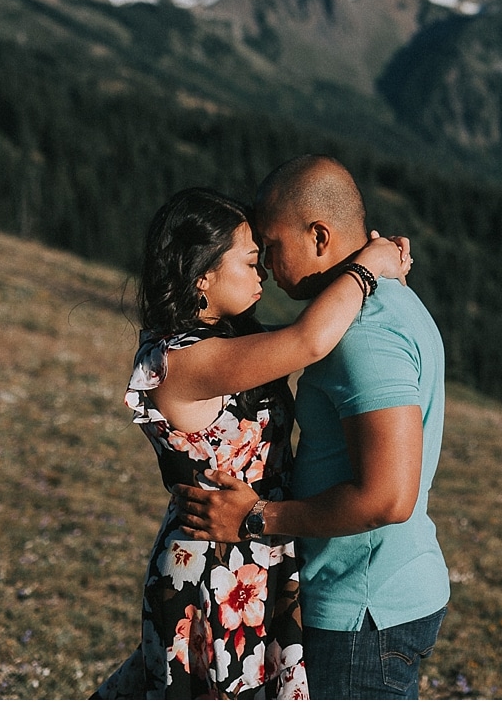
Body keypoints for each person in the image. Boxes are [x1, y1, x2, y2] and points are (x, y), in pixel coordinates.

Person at [95, 186, 411, 699]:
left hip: (250, 553)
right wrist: (369, 266)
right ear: (202, 275)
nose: (262, 271)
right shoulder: (184, 360)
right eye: (248, 260)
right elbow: (309, 339)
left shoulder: (223, 341)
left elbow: (315, 329)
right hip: (216, 564)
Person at [177, 155, 449, 699]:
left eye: (272, 247)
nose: (267, 267)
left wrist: (255, 519)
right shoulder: (373, 304)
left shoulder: (363, 332)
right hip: (376, 591)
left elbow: (389, 497)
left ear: (319, 235)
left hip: (359, 609)